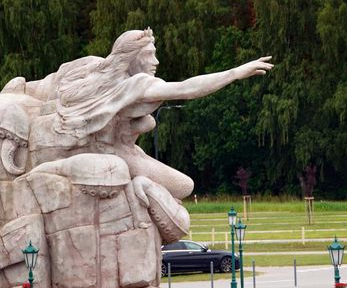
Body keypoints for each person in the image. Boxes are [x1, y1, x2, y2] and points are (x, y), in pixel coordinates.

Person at [52, 28, 273, 200]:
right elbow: (187, 88)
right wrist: (234, 73)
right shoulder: (138, 85)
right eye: (149, 55)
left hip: (118, 150)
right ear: (132, 58)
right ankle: (139, 187)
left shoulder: (95, 72)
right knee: (184, 186)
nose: (155, 62)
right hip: (114, 155)